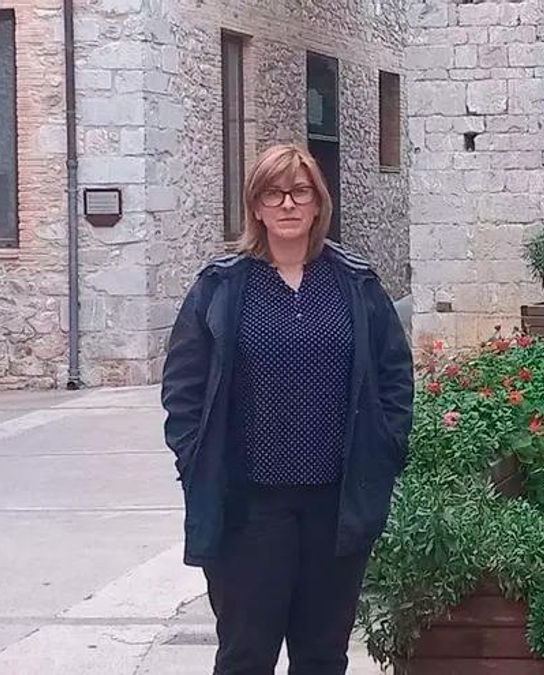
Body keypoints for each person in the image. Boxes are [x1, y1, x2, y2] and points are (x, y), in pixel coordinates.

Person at [160, 143, 414, 675]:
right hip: (248, 509)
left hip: (335, 504)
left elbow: (394, 376)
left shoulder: (355, 284)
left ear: (318, 203)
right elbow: (183, 387)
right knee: (245, 654)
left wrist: (386, 450)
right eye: (273, 194)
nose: (288, 205)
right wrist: (193, 460)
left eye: (300, 192)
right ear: (256, 207)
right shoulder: (222, 287)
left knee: (322, 655)